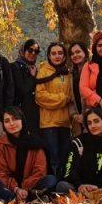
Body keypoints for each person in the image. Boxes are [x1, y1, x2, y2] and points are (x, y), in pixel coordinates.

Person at [0, 107, 57, 202]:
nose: (12, 123)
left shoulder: (35, 142)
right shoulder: (0, 145)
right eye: (7, 121)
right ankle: (13, 198)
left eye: (15, 119)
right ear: (3, 125)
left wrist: (25, 189)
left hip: (30, 188)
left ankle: (26, 197)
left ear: (22, 120)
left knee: (50, 180)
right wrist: (16, 189)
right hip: (10, 189)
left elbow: (40, 171)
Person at [35, 42, 76, 177]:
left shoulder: (68, 73)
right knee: (53, 158)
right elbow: (40, 97)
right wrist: (63, 99)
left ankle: (64, 183)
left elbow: (72, 96)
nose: (57, 56)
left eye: (60, 53)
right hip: (49, 123)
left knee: (65, 156)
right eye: (53, 53)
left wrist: (66, 99)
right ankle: (54, 185)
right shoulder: (43, 71)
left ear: (64, 56)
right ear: (48, 56)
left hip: (66, 123)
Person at [11, 39, 41, 131]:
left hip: (36, 117)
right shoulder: (14, 67)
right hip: (20, 115)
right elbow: (22, 89)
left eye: (36, 51)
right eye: (30, 50)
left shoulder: (36, 69)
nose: (33, 53)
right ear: (23, 50)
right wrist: (32, 77)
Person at [68, 41, 90, 134]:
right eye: (72, 54)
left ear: (85, 53)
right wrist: (74, 115)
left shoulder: (92, 69)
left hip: (93, 117)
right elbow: (70, 99)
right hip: (78, 121)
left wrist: (85, 115)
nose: (75, 55)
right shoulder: (71, 74)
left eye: (78, 52)